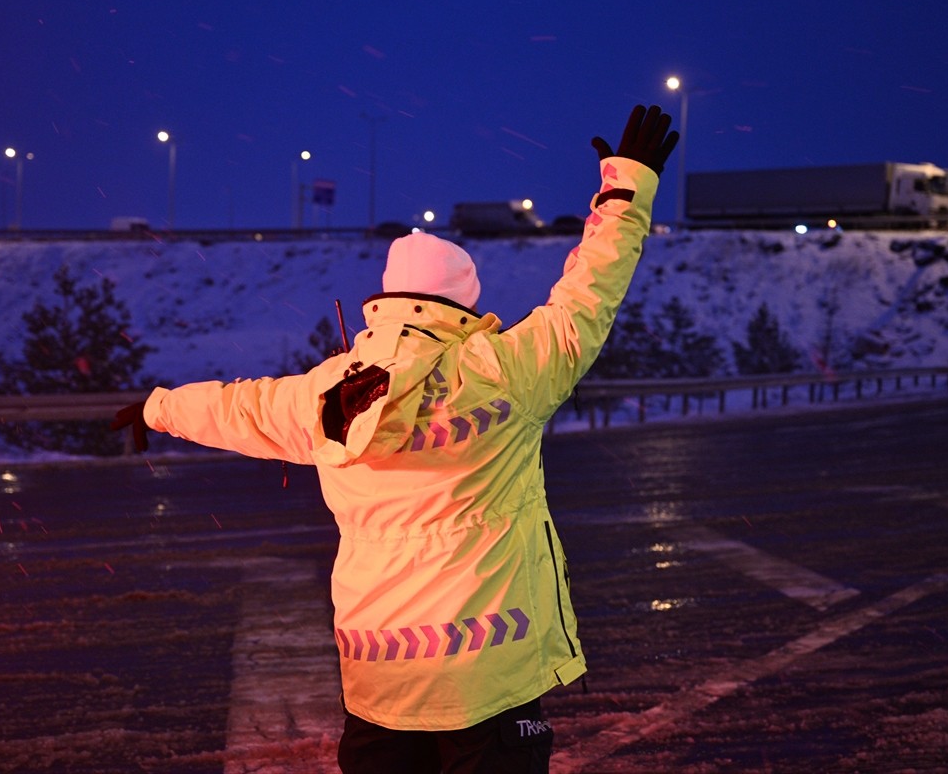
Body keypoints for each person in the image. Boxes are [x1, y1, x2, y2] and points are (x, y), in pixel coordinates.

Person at [111, 104, 678, 773]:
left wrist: (156, 408)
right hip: (486, 678)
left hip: (378, 678)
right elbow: (588, 297)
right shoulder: (502, 371)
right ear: (463, 307)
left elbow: (239, 408)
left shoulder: (325, 392)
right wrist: (624, 189)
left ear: (387, 297)